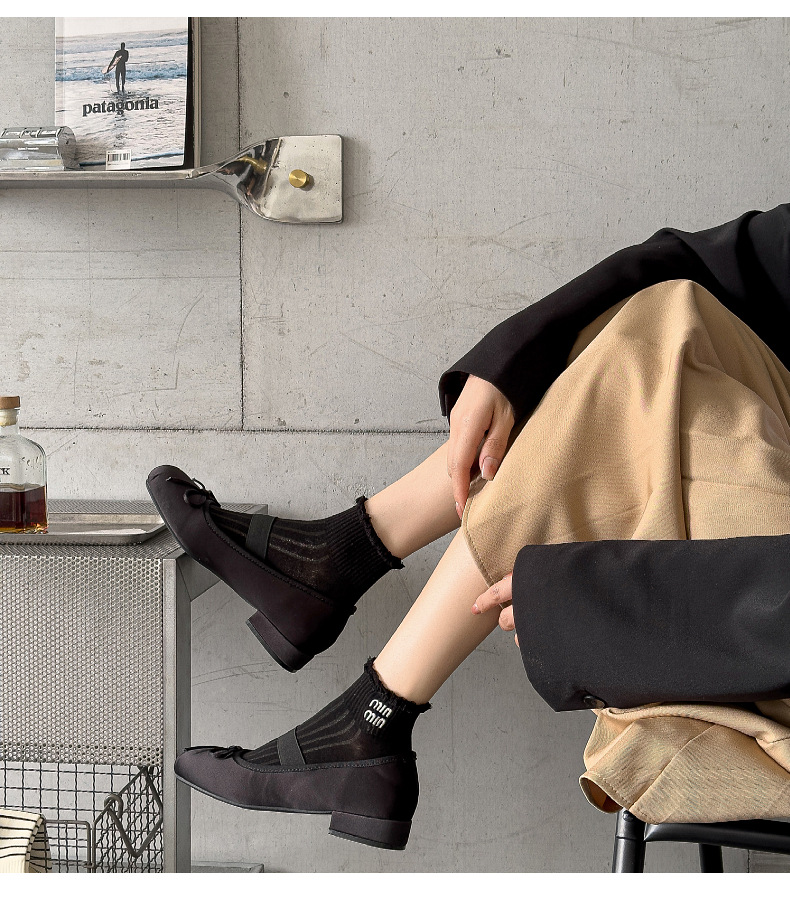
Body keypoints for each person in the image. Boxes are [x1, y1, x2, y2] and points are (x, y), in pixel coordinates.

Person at [147, 201, 790, 850]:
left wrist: (599, 595)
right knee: (672, 314)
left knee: (651, 353)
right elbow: (720, 261)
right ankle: (353, 639)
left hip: (758, 625)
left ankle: (348, 628)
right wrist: (513, 366)